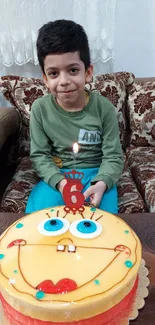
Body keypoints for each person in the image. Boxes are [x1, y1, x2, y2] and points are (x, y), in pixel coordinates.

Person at [25, 19, 124, 214]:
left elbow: (113, 156)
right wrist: (61, 183)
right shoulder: (39, 109)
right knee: (40, 219)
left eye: (72, 70)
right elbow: (39, 156)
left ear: (88, 72)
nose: (64, 81)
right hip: (58, 176)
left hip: (96, 174)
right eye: (54, 73)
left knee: (103, 222)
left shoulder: (104, 108)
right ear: (45, 78)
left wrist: (102, 182)